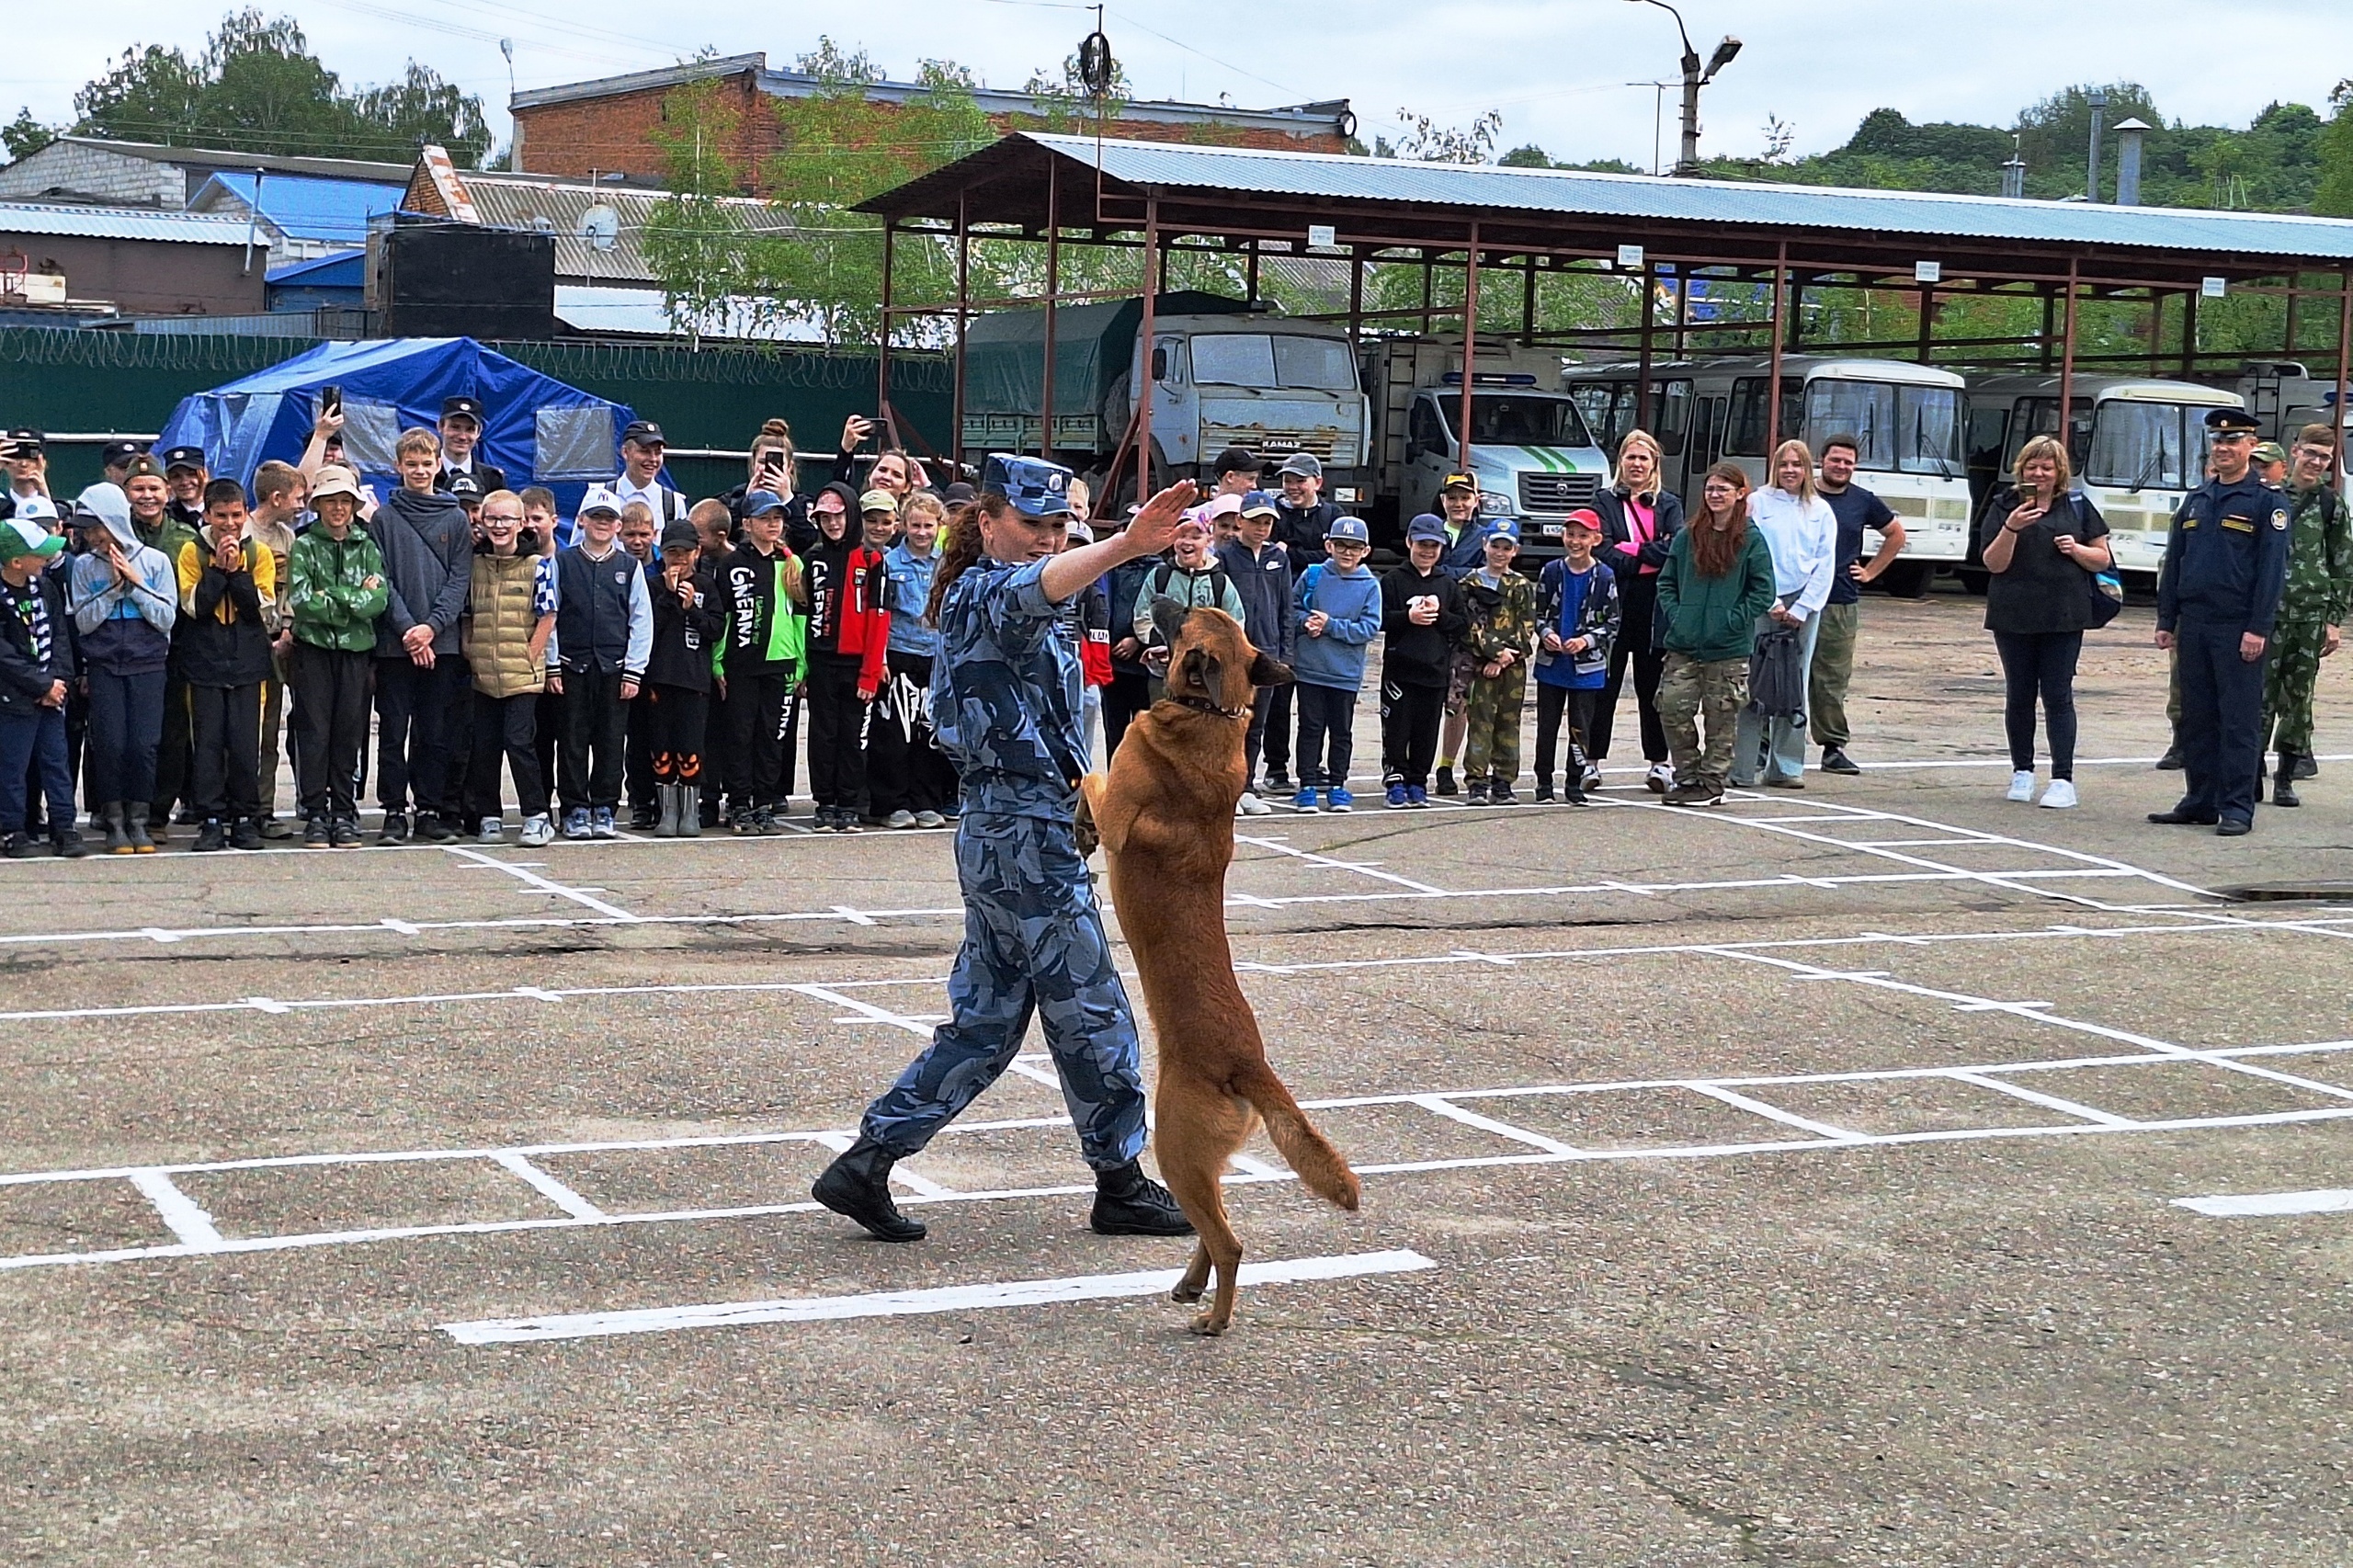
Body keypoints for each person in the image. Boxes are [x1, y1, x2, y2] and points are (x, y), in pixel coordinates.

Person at [810, 456, 1196, 1244]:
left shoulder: (1028, 603)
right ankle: (1120, 1180)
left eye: (1058, 526)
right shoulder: (986, 591)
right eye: (1031, 524)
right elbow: (1037, 587)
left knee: (987, 1018)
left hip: (1017, 829)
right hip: (1020, 836)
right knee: (1091, 1008)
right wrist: (1127, 543)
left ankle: (868, 1160)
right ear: (986, 524)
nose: (1046, 539)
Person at [2152, 408, 2292, 836]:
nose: (2223, 449)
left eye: (2233, 442)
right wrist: (2166, 618)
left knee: (2238, 720)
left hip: (2237, 626)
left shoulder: (2268, 503)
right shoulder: (2197, 499)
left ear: (2251, 447)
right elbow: (2175, 561)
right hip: (2194, 623)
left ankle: (2236, 807)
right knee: (2197, 717)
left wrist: (2258, 628)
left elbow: (2271, 572)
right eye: (2218, 441)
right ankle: (2200, 800)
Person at [1980, 435, 2111, 812]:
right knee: (2019, 694)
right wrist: (2011, 528)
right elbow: (1992, 563)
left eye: (2046, 468)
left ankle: (2062, 778)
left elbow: (2102, 559)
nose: (2038, 474)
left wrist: (2077, 549)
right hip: (2013, 612)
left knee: (2057, 694)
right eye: (2031, 467)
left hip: (2064, 614)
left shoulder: (2077, 505)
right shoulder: (2004, 504)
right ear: (2020, 469)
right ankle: (2022, 771)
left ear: (2059, 473)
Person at [366, 429, 473, 845]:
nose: (419, 471)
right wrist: (409, 629)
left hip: (441, 645)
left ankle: (429, 808)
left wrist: (431, 628)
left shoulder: (455, 518)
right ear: (398, 467)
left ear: (438, 465)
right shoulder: (384, 519)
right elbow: (381, 580)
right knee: (393, 730)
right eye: (411, 464)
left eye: (427, 464)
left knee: (435, 731)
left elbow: (459, 579)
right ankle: (394, 811)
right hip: (396, 646)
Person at [1658, 463, 1779, 808]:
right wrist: (1678, 616)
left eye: (1723, 489)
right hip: (1683, 644)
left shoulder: (1751, 539)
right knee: (1672, 708)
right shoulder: (1688, 535)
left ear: (1740, 493)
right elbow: (1666, 581)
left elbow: (1763, 591)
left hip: (1727, 649)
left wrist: (1732, 620)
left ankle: (1711, 782)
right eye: (1710, 488)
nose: (1715, 495)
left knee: (1721, 717)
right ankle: (1686, 775)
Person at [67, 483, 176, 853]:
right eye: (86, 529)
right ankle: (114, 820)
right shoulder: (83, 566)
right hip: (104, 665)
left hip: (147, 664)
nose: (92, 536)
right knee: (111, 744)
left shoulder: (155, 561)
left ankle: (140, 818)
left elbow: (166, 617)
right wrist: (112, 590)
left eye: (96, 527)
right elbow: (83, 621)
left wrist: (136, 583)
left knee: (144, 744)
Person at [283, 465, 387, 849]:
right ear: (319, 505)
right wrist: (351, 597)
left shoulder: (368, 545)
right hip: (313, 651)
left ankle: (344, 810)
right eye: (331, 502)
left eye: (345, 501)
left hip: (357, 652)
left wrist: (335, 595)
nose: (338, 509)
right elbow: (303, 602)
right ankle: (314, 810)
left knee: (348, 732)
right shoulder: (305, 545)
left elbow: (378, 601)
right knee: (313, 731)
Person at [176, 479, 278, 852]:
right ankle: (211, 819)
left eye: (237, 515)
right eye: (221, 516)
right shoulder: (191, 552)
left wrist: (237, 573)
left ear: (246, 513)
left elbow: (259, 611)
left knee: (243, 745)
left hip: (248, 666)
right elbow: (196, 607)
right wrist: (218, 569)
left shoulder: (260, 554)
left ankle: (245, 817)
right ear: (207, 515)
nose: (230, 524)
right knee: (207, 745)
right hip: (204, 665)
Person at [548, 486, 652, 840]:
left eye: (609, 519)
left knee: (610, 740)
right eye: (595, 518)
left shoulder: (629, 566)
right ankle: (575, 806)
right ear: (581, 520)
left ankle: (605, 805)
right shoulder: (562, 562)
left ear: (618, 525)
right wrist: (551, 664)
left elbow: (641, 621)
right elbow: (550, 617)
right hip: (572, 666)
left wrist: (634, 670)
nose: (602, 525)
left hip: (614, 668)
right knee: (572, 739)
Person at [1733, 439, 1838, 790]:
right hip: (1763, 600)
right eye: (1784, 464)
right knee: (1753, 682)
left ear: (1808, 470)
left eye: (1798, 465)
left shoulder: (1820, 510)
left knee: (1794, 685)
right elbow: (1751, 554)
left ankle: (1785, 766)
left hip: (1804, 605)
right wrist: (1772, 601)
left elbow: (1826, 563)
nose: (1790, 471)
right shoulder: (1757, 503)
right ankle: (1742, 767)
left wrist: (1803, 607)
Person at [2256, 424, 2351, 807]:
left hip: (2310, 616)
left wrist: (2334, 620)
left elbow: (2342, 562)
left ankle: (2287, 775)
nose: (2316, 462)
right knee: (2258, 696)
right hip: (2268, 613)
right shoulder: (2269, 498)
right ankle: (2250, 774)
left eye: (2324, 457)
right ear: (2294, 452)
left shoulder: (2330, 504)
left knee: (2299, 699)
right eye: (2310, 453)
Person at [460, 490, 558, 847]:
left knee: (519, 742)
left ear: (520, 524)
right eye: (492, 519)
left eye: (507, 520)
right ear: (482, 523)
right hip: (484, 673)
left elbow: (548, 616)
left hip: (523, 675)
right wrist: (470, 649)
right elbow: (468, 614)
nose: (499, 527)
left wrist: (532, 655)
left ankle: (536, 815)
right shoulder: (475, 564)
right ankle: (490, 815)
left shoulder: (539, 566)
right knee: (485, 746)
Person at [1589, 431, 1684, 795]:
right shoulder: (1604, 501)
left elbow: (1674, 550)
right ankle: (1591, 761)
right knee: (1605, 687)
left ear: (1654, 464)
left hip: (1654, 605)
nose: (1637, 464)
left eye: (1644, 458)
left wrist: (1634, 551)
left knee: (1652, 687)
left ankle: (1660, 762)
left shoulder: (1669, 504)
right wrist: (1649, 553)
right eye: (1630, 457)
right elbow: (1604, 551)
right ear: (1621, 462)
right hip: (1614, 602)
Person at [1808, 435, 1907, 777]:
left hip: (1840, 600)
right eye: (1836, 460)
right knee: (1779, 674)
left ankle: (1833, 747)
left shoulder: (1863, 500)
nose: (1841, 467)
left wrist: (1870, 572)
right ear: (1822, 460)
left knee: (1831, 679)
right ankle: (1766, 743)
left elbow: (1896, 534)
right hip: (1796, 600)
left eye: (1848, 462)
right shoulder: (1802, 493)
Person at [717, 489, 807, 835]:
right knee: (741, 734)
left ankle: (764, 802)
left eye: (778, 518)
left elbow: (800, 615)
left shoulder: (791, 563)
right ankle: (739, 802)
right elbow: (724, 615)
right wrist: (717, 663)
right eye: (765, 518)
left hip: (782, 663)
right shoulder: (732, 564)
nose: (773, 524)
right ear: (747, 523)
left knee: (773, 735)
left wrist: (801, 664)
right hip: (742, 662)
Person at [801, 483, 891, 833]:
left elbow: (879, 619)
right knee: (822, 736)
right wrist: (803, 667)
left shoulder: (872, 561)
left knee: (853, 737)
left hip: (856, 666)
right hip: (820, 661)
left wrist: (870, 674)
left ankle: (848, 803)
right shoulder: (812, 559)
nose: (833, 523)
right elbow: (803, 612)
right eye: (825, 517)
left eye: (838, 515)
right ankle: (825, 801)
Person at [870, 493, 955, 829]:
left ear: (939, 527)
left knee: (929, 734)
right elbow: (882, 614)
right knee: (894, 734)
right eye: (915, 525)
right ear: (904, 525)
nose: (921, 532)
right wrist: (880, 658)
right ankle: (893, 803)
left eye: (928, 526)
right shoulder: (889, 563)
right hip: (899, 654)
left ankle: (926, 801)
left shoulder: (946, 564)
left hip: (934, 657)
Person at [1287, 515, 1381, 812]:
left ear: (1365, 550)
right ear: (1329, 545)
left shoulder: (1369, 585)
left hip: (1345, 672)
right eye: (1341, 545)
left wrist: (1330, 626)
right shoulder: (1313, 574)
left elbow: (1368, 628)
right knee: (1310, 727)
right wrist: (1306, 622)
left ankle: (1338, 784)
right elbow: (1290, 609)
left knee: (1341, 730)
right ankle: (1307, 785)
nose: (1347, 552)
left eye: (1354, 547)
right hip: (1311, 668)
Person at [0, 517, 83, 858]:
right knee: (12, 765)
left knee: (56, 761)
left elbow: (61, 635)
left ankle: (64, 826)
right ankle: (12, 828)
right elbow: (4, 654)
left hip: (52, 692)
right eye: (40, 554)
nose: (47, 559)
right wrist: (40, 683)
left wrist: (59, 680)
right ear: (17, 561)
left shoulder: (45, 587)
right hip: (14, 695)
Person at [127, 454, 199, 839]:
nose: (147, 496)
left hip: (174, 649)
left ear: (167, 492)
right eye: (139, 489)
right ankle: (122, 808)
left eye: (154, 488)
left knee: (170, 734)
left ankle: (157, 813)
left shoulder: (185, 539)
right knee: (125, 733)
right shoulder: (118, 535)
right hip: (127, 648)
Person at [1531, 507, 1620, 806]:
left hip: (1587, 668)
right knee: (1547, 726)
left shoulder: (1605, 576)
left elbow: (1613, 622)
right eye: (1571, 534)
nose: (1576, 541)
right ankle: (1544, 782)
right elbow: (1539, 614)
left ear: (1595, 538)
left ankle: (1574, 782)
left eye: (1583, 535)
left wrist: (1586, 640)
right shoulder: (1552, 571)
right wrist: (1546, 635)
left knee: (1580, 728)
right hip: (1552, 664)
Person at [1380, 513, 1468, 809]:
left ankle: (1418, 781)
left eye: (1434, 545)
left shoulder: (1447, 584)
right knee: (1397, 730)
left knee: (1426, 731)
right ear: (1409, 543)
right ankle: (1395, 781)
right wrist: (1408, 617)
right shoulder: (1393, 580)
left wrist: (1439, 615)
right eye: (1422, 544)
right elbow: (1380, 620)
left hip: (1435, 671)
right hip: (1400, 671)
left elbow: (1461, 624)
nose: (1428, 551)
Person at [642, 518, 721, 837]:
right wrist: (670, 597)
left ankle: (690, 811)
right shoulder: (653, 586)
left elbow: (715, 629)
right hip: (660, 680)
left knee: (690, 745)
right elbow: (649, 629)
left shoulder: (707, 585)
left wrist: (691, 608)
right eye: (673, 553)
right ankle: (667, 810)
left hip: (694, 681)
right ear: (663, 554)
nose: (680, 559)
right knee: (661, 746)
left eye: (686, 553)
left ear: (697, 552)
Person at [1266, 453, 1339, 792]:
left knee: (1316, 702)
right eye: (1287, 480)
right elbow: (1269, 551)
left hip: (1319, 618)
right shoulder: (1275, 514)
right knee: (1279, 697)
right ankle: (1276, 767)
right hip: (1282, 614)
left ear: (1317, 483)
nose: (1293, 487)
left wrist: (1291, 552)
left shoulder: (1332, 515)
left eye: (1300, 480)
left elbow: (1334, 557)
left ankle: (1313, 764)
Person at [1218, 489, 1293, 815]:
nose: (1261, 528)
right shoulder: (1224, 557)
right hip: (1235, 656)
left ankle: (1246, 786)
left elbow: (1286, 608)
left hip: (1267, 652)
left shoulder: (1280, 558)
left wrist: (1285, 654)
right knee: (1228, 723)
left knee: (1256, 724)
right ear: (1240, 521)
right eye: (1254, 521)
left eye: (1267, 522)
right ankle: (1226, 788)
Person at [1458, 519, 1538, 804]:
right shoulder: (1469, 584)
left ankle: (1504, 780)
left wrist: (1505, 658)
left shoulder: (1520, 585)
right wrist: (1492, 653)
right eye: (1495, 546)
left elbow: (1526, 625)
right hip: (1481, 665)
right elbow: (1468, 626)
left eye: (1506, 547)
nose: (1500, 553)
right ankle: (1477, 781)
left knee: (1508, 722)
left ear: (1515, 550)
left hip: (1512, 666)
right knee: (1480, 722)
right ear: (1485, 545)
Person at [247, 460, 306, 838]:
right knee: (244, 731)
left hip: (280, 644)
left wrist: (287, 629)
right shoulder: (244, 531)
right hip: (244, 644)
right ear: (277, 497)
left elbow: (294, 592)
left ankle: (264, 808)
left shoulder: (288, 538)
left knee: (270, 731)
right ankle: (239, 807)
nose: (303, 504)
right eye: (298, 497)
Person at [1131, 514, 1245, 701]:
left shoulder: (1220, 582)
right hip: (1164, 672)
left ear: (1208, 539)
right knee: (1164, 726)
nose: (1187, 543)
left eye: (1195, 537)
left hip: (1206, 676)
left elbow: (1235, 625)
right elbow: (1142, 618)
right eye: (1181, 535)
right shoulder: (1159, 576)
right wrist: (1164, 646)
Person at [1430, 472, 1489, 795]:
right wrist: (1457, 575)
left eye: (1465, 497)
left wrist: (1446, 575)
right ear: (1443, 501)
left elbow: (1483, 576)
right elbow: (1425, 569)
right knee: (1426, 701)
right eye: (1452, 497)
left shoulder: (1483, 537)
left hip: (1466, 630)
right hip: (1428, 629)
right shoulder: (1430, 530)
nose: (1458, 503)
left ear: (1476, 501)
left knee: (1459, 702)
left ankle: (1446, 765)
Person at [617, 500, 662, 828]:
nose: (637, 541)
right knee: (634, 734)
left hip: (662, 662)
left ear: (653, 533)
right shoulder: (616, 565)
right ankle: (638, 795)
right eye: (630, 534)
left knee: (657, 732)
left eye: (643, 534)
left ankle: (663, 795)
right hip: (626, 661)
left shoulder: (665, 563)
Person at [611, 420, 688, 525]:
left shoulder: (674, 504)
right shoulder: (603, 496)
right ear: (625, 452)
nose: (653, 459)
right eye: (645, 451)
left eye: (658, 452)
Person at [435, 395, 506, 494]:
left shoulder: (492, 480)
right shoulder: (424, 476)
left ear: (479, 432)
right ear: (440, 426)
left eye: (470, 429)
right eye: (455, 427)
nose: (462, 437)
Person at [160, 446, 209, 532]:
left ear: (204, 475)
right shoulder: (165, 516)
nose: (185, 482)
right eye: (176, 476)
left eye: (191, 474)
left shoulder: (220, 510)